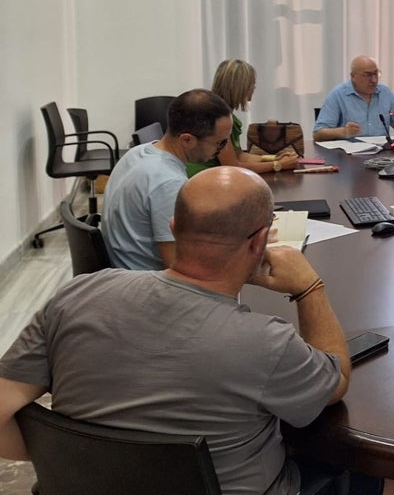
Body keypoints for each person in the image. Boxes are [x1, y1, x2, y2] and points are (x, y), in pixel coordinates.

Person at [0, 167, 358, 495]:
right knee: (352, 466)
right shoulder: (266, 342)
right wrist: (309, 287)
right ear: (259, 241)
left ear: (173, 228)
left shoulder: (78, 293)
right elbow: (336, 381)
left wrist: (88, 464)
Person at [102, 88, 233, 271]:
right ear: (187, 140)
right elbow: (178, 268)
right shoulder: (168, 182)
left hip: (125, 273)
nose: (223, 149)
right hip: (146, 285)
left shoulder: (137, 153)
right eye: (220, 143)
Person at [187, 58, 299, 177]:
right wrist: (278, 165)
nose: (254, 88)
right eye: (252, 84)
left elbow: (239, 155)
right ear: (241, 86)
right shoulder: (216, 117)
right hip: (202, 178)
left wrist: (274, 158)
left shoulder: (226, 114)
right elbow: (233, 166)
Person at [314, 55, 394, 142]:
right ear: (353, 76)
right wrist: (343, 131)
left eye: (376, 74)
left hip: (382, 155)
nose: (374, 80)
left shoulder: (384, 92)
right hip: (349, 157)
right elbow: (318, 134)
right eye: (368, 75)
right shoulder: (338, 95)